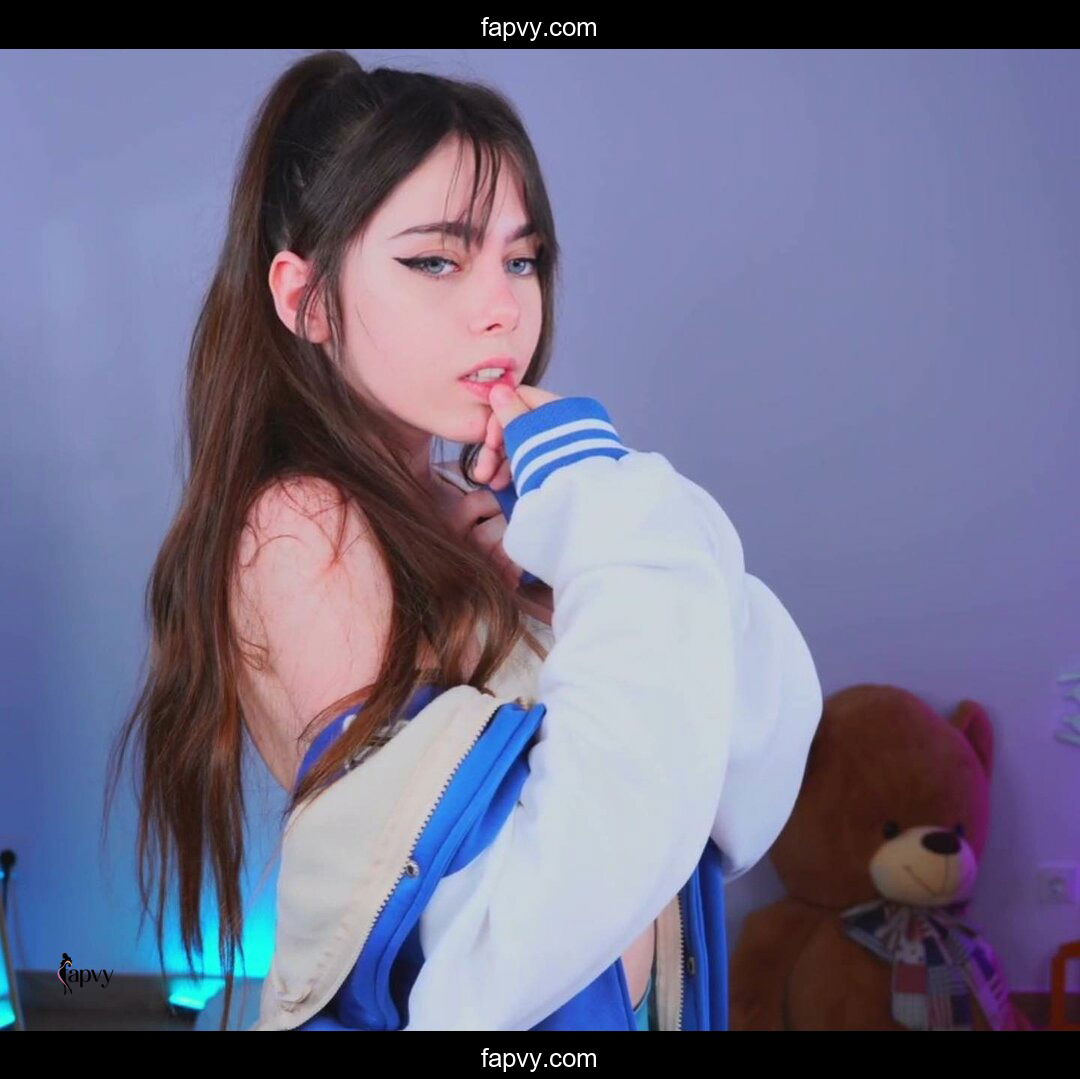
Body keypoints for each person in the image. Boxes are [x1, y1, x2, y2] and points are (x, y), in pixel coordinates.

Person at [103, 49, 824, 1032]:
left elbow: (747, 774)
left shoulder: (483, 519)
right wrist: (603, 508)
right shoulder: (302, 527)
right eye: (436, 260)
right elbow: (498, 938)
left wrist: (581, 552)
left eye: (521, 259)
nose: (503, 308)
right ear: (304, 298)